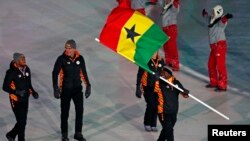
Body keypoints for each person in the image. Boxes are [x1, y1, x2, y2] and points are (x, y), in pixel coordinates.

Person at [52, 39, 91, 141]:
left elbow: (84, 73)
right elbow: (54, 73)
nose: (67, 50)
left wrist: (88, 86)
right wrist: (55, 88)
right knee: (65, 112)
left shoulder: (80, 59)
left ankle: (78, 133)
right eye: (66, 48)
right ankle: (64, 135)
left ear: (74, 48)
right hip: (66, 90)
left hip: (77, 90)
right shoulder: (61, 59)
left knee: (79, 111)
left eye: (69, 48)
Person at [2, 53, 39, 141]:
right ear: (17, 61)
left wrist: (33, 92)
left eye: (24, 59)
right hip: (15, 100)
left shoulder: (27, 69)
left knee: (22, 122)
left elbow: (29, 84)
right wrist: (16, 92)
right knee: (22, 122)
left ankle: (11, 135)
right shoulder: (11, 72)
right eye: (22, 59)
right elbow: (5, 87)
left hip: (25, 99)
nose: (24, 61)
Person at [202, 5, 233, 91]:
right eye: (212, 12)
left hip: (220, 45)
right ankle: (214, 82)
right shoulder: (211, 19)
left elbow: (223, 21)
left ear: (217, 13)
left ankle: (223, 85)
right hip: (213, 47)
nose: (212, 13)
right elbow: (207, 17)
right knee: (211, 64)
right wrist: (205, 13)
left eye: (213, 12)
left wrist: (226, 17)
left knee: (220, 65)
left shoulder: (220, 21)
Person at [154, 66, 189, 141]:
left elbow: (184, 93)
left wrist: (185, 92)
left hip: (173, 112)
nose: (162, 74)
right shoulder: (159, 82)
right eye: (161, 72)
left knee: (166, 130)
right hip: (163, 112)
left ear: (169, 74)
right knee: (169, 131)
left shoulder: (176, 83)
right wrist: (156, 80)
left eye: (164, 72)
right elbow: (155, 90)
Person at [136, 52, 164, 132]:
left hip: (157, 87)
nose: (154, 53)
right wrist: (138, 87)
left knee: (156, 105)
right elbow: (139, 74)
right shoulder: (145, 61)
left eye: (155, 51)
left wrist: (160, 75)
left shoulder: (161, 61)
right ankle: (147, 123)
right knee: (151, 104)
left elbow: (163, 72)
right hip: (147, 87)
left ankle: (153, 124)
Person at [161, 0, 180, 71]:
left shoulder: (173, 6)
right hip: (165, 28)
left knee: (172, 46)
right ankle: (168, 60)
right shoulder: (165, 5)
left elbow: (176, 7)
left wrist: (175, 2)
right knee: (166, 45)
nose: (167, 0)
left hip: (171, 28)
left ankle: (175, 63)